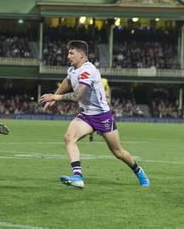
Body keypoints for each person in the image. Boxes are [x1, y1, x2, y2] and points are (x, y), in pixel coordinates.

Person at [40, 40, 150, 189]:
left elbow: (77, 95)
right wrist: (55, 94)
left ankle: (139, 171)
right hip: (86, 115)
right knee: (69, 138)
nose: (68, 56)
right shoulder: (73, 70)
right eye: (68, 52)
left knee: (118, 152)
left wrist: (55, 98)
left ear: (82, 55)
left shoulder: (88, 70)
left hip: (102, 116)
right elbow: (67, 81)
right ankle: (77, 177)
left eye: (71, 53)